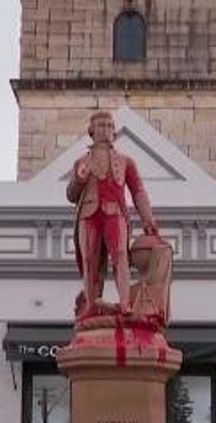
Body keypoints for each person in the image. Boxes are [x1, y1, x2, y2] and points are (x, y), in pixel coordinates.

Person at [66, 111, 160, 319]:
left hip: (115, 212)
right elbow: (71, 195)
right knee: (89, 260)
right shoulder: (81, 162)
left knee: (120, 255)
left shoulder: (126, 161)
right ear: (91, 131)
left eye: (109, 126)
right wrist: (79, 179)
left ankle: (125, 304)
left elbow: (138, 191)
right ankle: (91, 305)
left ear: (114, 132)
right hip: (89, 214)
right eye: (101, 126)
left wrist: (148, 218)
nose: (106, 130)